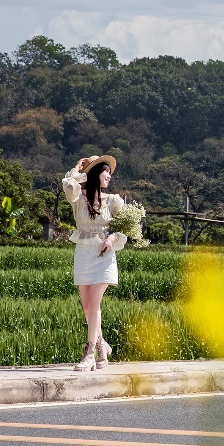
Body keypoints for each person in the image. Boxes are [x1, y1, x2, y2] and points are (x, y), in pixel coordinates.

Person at [61, 155, 127, 371]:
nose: (109, 176)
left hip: (104, 255)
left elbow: (128, 226)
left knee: (94, 304)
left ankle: (89, 353)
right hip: (83, 253)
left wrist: (112, 237)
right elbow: (69, 186)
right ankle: (101, 348)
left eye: (110, 172)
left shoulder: (114, 200)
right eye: (105, 171)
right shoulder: (79, 197)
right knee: (87, 306)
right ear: (94, 173)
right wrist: (78, 168)